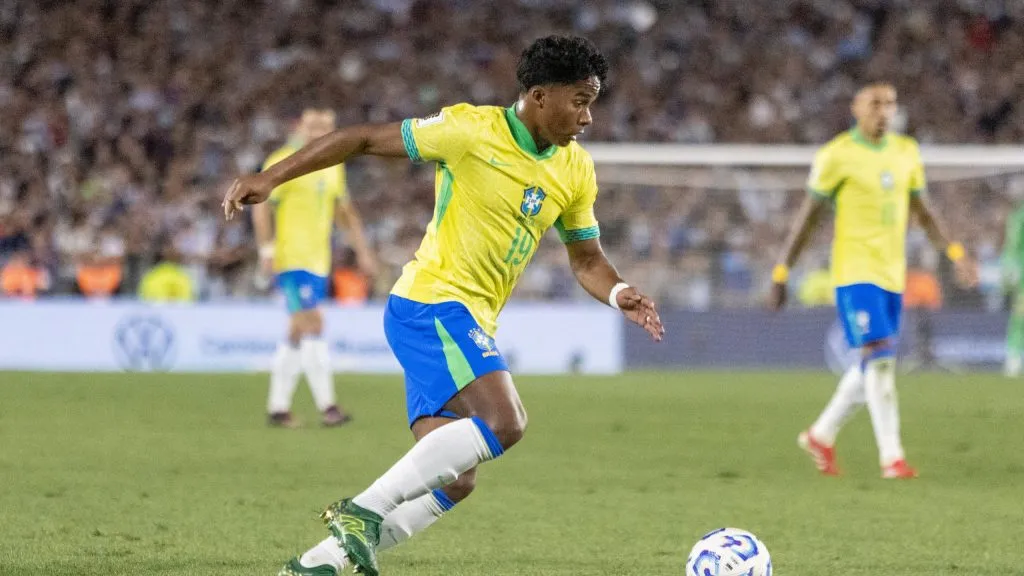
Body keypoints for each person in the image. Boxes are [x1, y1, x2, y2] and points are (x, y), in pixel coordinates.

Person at [223, 36, 663, 576]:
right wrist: (270, 178)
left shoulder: (575, 170)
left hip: (468, 319)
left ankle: (321, 564)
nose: (589, 117)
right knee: (506, 422)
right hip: (432, 303)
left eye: (592, 102)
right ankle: (361, 512)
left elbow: (587, 258)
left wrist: (620, 293)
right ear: (540, 96)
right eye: (580, 101)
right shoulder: (469, 130)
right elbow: (360, 139)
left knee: (456, 476)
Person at [770, 82, 977, 480]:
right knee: (880, 356)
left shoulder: (906, 153)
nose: (884, 111)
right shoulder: (836, 155)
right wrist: (782, 271)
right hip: (853, 271)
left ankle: (821, 433)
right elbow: (808, 218)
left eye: (890, 104)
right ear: (857, 109)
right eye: (875, 104)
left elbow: (925, 211)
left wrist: (955, 253)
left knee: (876, 360)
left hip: (891, 274)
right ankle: (892, 458)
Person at [252, 108, 376, 428]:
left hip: (318, 261)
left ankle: (278, 408)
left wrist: (362, 250)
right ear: (300, 127)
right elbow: (261, 205)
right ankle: (329, 407)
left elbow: (343, 211)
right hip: (291, 259)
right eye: (312, 126)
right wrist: (266, 248)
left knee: (297, 330)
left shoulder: (333, 167)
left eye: (325, 126)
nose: (319, 131)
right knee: (314, 324)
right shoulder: (282, 160)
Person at [1000, 203, 1024, 376]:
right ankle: (1013, 358)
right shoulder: (1019, 217)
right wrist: (1010, 268)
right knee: (1020, 317)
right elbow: (1012, 245)